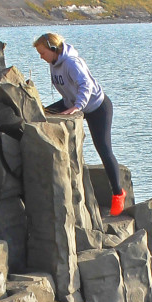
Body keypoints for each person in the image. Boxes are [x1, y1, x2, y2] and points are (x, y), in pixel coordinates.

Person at [33, 32, 127, 215]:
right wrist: (72, 106)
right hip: (72, 102)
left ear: (53, 49)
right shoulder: (54, 64)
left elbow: (86, 85)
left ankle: (118, 193)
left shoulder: (71, 63)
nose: (41, 57)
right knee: (40, 113)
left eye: (42, 53)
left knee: (104, 149)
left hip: (97, 107)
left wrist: (78, 107)